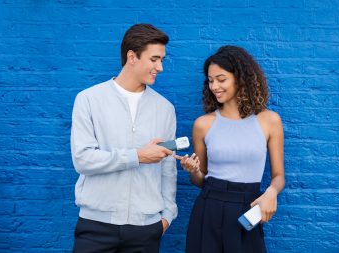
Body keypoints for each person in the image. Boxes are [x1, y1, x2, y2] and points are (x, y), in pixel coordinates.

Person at [71, 24, 177, 253]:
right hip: (95, 227)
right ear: (132, 56)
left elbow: (168, 168)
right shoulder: (89, 100)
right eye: (154, 59)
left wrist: (167, 215)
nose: (160, 67)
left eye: (162, 60)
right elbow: (83, 160)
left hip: (146, 229)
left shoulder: (165, 108)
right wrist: (137, 156)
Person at [175, 45, 285, 253]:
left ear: (240, 79)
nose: (214, 86)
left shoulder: (269, 121)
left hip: (248, 206)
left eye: (221, 79)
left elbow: (279, 176)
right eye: (210, 80)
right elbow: (200, 180)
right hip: (209, 208)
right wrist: (193, 170)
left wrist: (271, 193)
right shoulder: (203, 124)